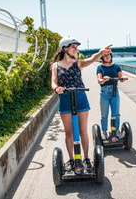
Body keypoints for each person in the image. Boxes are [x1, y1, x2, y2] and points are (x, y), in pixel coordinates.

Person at [51, 36, 112, 171]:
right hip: (65, 98)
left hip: (80, 97)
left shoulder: (78, 63)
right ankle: (72, 160)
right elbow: (53, 81)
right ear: (65, 48)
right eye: (73, 46)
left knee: (83, 131)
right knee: (69, 133)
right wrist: (56, 88)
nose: (76, 49)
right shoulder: (56, 66)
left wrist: (101, 53)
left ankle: (86, 158)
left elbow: (91, 60)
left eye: (76, 47)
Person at [96, 52, 127, 141]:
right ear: (102, 57)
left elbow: (121, 78)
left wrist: (123, 78)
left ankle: (116, 130)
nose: (107, 56)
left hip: (114, 91)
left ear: (111, 56)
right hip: (104, 92)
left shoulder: (116, 66)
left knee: (116, 113)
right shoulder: (100, 67)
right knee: (104, 114)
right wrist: (103, 79)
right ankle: (104, 131)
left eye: (108, 55)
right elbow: (99, 80)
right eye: (105, 55)